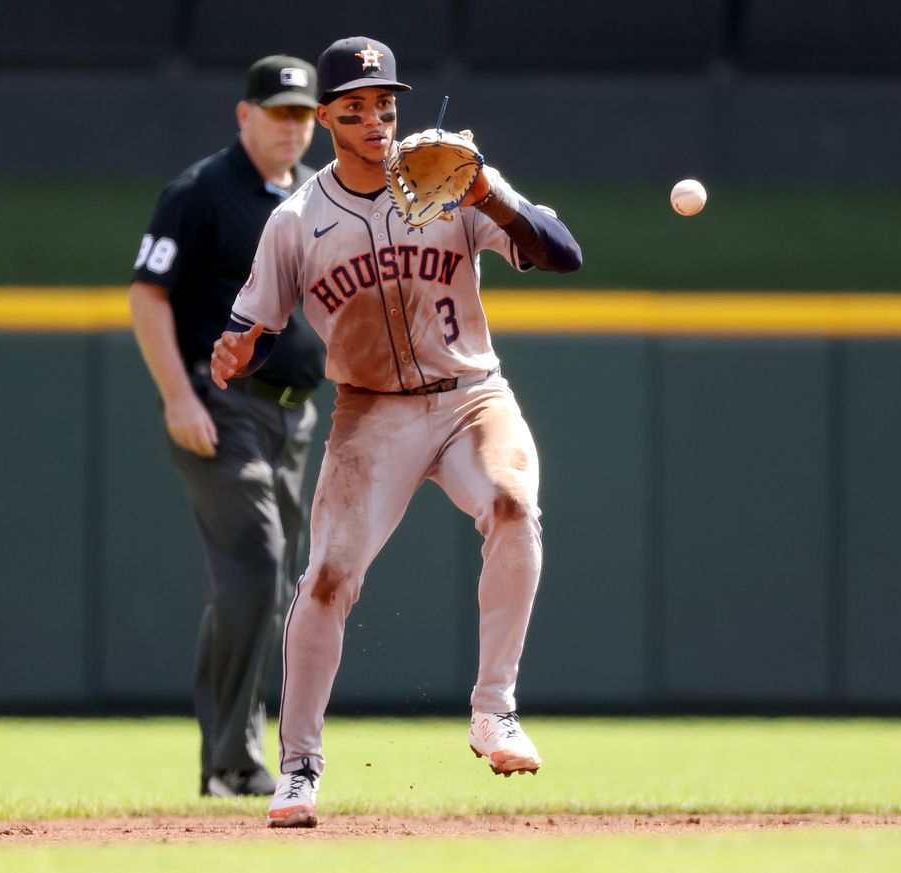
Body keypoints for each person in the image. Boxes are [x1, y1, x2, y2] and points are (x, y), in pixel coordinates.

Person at [209, 36, 583, 828]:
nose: (378, 118)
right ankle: (300, 767)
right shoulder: (298, 220)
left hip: (471, 397)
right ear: (326, 118)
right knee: (329, 577)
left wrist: (490, 196)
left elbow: (563, 253)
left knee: (513, 502)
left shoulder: (448, 174)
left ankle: (494, 710)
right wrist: (238, 347)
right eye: (358, 107)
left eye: (386, 103)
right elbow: (254, 325)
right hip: (369, 413)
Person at [128, 54, 326, 799]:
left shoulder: (310, 196)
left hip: (291, 417)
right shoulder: (200, 192)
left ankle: (226, 757)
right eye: (278, 112)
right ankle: (234, 759)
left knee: (263, 581)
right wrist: (179, 398)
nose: (291, 126)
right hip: (219, 407)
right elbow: (148, 297)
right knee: (258, 560)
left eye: (302, 114)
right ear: (244, 115)